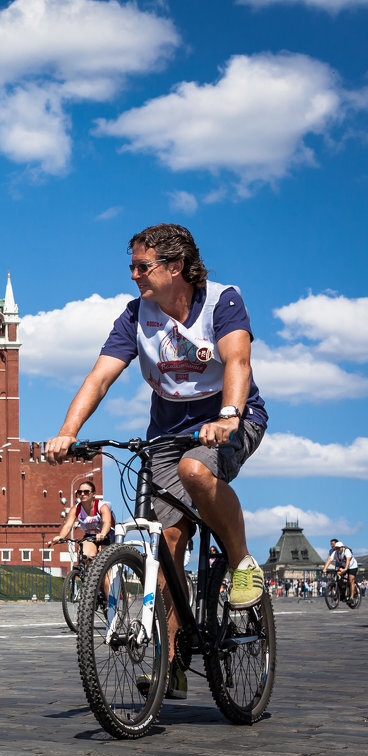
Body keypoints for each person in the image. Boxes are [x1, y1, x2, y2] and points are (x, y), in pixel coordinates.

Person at [44, 223, 269, 702]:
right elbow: (100, 377)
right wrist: (68, 432)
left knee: (196, 470)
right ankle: (173, 662)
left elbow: (238, 362)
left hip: (232, 416)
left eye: (142, 267)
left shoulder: (222, 300)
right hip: (167, 431)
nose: (133, 276)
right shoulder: (135, 315)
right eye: (132, 266)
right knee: (165, 544)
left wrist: (228, 415)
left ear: (176, 267)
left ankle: (242, 561)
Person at [47, 481, 113, 561]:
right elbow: (68, 525)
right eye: (79, 492)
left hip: (106, 535)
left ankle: (105, 572)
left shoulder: (102, 506)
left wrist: (102, 534)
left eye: (86, 492)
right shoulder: (76, 508)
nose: (82, 494)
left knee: (103, 561)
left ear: (93, 494)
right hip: (90, 536)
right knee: (84, 556)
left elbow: (107, 522)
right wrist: (61, 537)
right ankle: (88, 573)